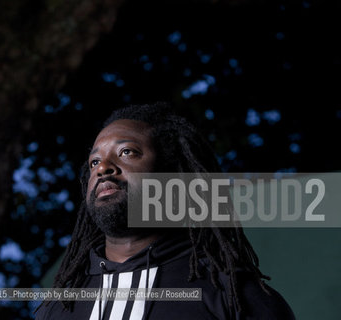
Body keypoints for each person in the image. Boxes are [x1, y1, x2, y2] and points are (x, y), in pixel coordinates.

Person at [35, 102, 295, 319]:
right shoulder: (58, 308)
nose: (103, 168)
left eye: (127, 152)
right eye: (94, 162)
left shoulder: (234, 296)